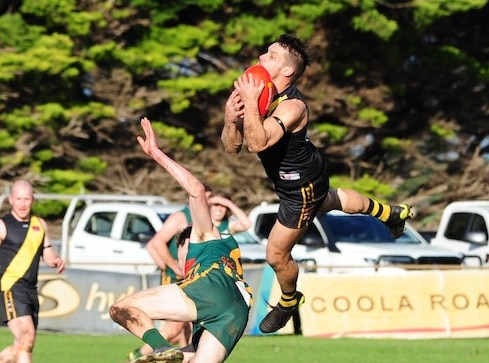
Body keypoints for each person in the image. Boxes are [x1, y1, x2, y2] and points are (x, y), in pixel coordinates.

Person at [221, 33, 413, 333]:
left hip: (300, 188)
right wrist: (231, 120)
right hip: (309, 172)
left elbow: (257, 144)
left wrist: (247, 103)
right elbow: (231, 148)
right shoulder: (261, 98)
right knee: (331, 200)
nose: (260, 58)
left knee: (275, 254)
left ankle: (288, 299)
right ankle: (391, 214)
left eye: (270, 56)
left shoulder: (292, 107)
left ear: (286, 71)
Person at [110, 117, 252, 363]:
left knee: (120, 309)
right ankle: (164, 352)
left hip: (211, 290)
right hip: (237, 311)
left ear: (187, 243)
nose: (181, 259)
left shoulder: (202, 237)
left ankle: (161, 347)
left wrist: (156, 153)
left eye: (180, 251)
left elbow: (196, 189)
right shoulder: (226, 246)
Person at [127, 190, 252, 361]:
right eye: (214, 202)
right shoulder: (183, 218)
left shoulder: (223, 227)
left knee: (189, 330)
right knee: (173, 329)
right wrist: (173, 267)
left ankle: (175, 355)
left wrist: (228, 202)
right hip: (179, 277)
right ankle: (140, 354)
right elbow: (154, 244)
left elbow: (246, 224)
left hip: (209, 284)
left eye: (223, 205)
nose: (219, 208)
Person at [0, 180, 65, 363]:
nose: (23, 203)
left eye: (26, 199)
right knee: (27, 336)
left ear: (32, 200)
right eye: (19, 198)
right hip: (11, 288)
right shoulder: (0, 226)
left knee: (23, 343)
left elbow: (47, 252)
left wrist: (55, 260)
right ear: (11, 200)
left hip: (30, 291)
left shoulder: (39, 224)